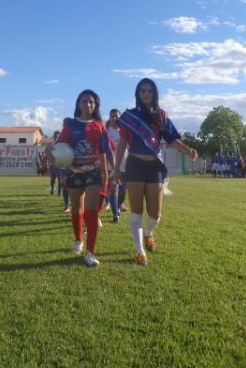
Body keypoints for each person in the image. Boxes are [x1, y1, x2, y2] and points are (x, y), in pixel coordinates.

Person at [114, 78, 197, 266]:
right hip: (134, 165)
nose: (145, 94)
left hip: (155, 168)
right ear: (138, 94)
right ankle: (140, 251)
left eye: (149, 91)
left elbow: (172, 140)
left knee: (155, 214)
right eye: (142, 90)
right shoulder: (130, 116)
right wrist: (118, 169)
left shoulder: (161, 115)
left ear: (154, 93)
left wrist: (187, 149)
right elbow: (123, 144)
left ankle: (148, 233)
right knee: (136, 210)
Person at [54, 90, 109, 267]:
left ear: (96, 105)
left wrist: (106, 173)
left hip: (94, 171)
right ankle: (79, 240)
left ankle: (90, 253)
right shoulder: (70, 125)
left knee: (91, 212)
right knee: (77, 210)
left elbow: (103, 152)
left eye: (91, 102)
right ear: (78, 104)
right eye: (84, 101)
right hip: (74, 172)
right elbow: (59, 147)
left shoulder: (99, 126)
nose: (88, 105)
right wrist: (59, 167)